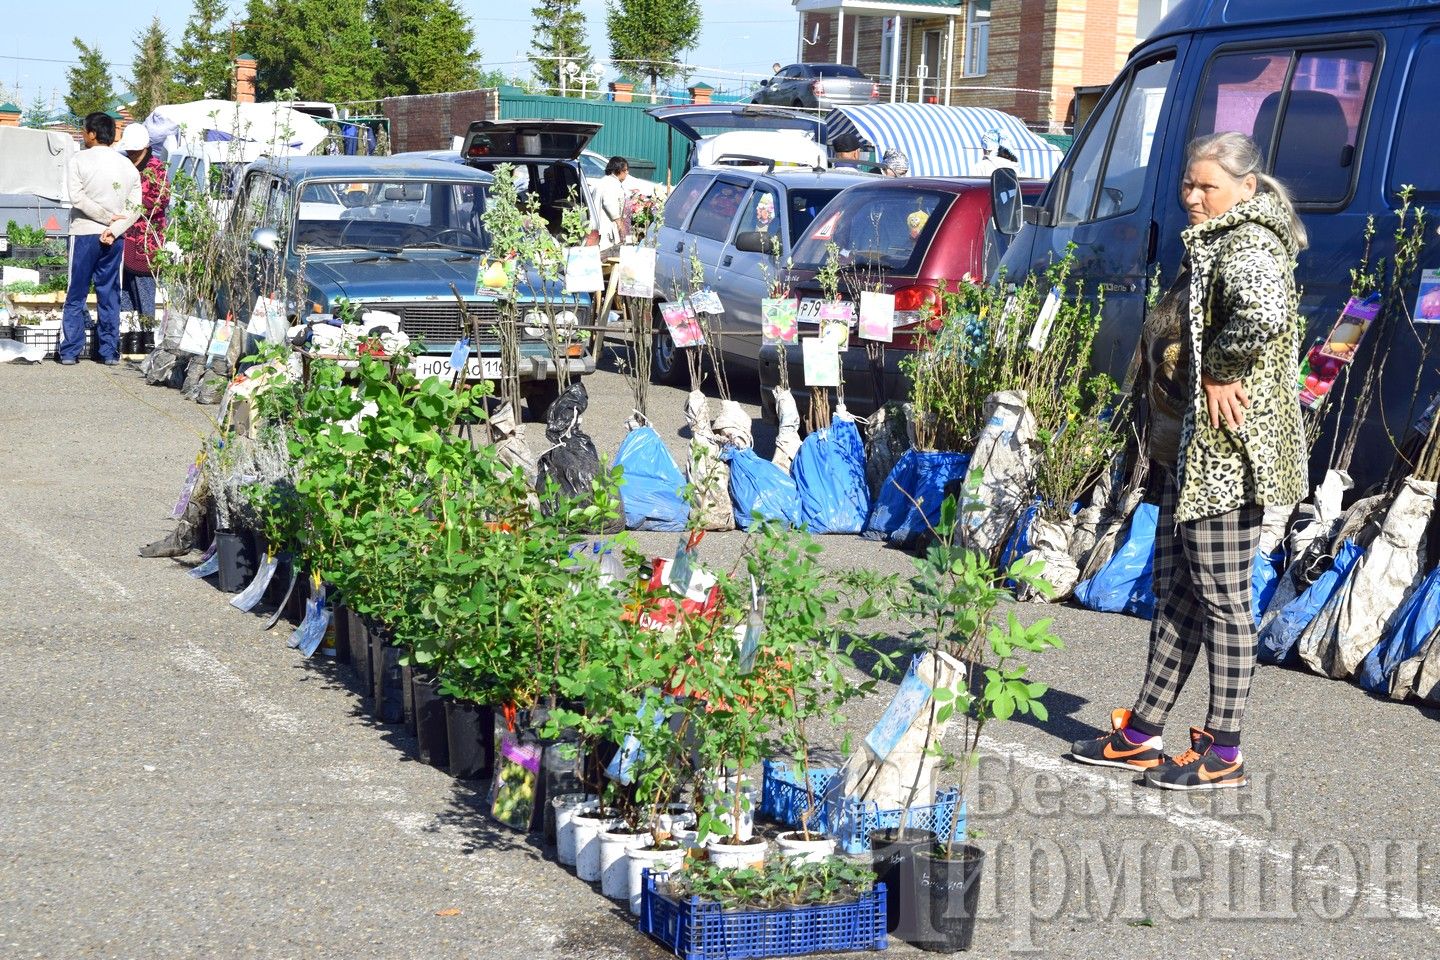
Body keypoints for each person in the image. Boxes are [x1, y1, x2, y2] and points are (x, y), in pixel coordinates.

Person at [1067, 131, 1307, 790]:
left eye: (1209, 186)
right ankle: (1144, 732)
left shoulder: (1250, 244)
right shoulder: (1213, 244)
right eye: (1189, 186)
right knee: (1176, 596)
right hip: (1190, 457)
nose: (1195, 198)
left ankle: (1223, 749)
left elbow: (1259, 313)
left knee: (1224, 604)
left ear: (1246, 188)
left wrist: (1221, 371)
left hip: (1227, 460)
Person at [62, 112, 141, 365]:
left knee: (76, 293)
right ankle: (108, 352)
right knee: (109, 295)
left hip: (85, 232)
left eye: (85, 131)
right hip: (113, 238)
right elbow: (135, 207)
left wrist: (105, 218)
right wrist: (115, 228)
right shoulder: (128, 167)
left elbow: (77, 198)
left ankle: (70, 351)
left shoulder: (78, 160)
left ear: (93, 134)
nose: (84, 135)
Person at [117, 122, 169, 328]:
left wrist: (126, 208)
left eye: (135, 150)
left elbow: (157, 202)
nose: (132, 153)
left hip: (146, 243)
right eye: (130, 150)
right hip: (125, 238)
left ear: (145, 148)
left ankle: (147, 335)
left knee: (144, 292)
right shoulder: (125, 166)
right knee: (125, 290)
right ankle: (128, 334)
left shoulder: (156, 170)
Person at [595, 155, 629, 253]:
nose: (627, 173)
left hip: (600, 227)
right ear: (618, 170)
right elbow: (610, 204)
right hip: (606, 230)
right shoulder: (611, 184)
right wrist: (620, 224)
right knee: (606, 256)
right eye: (625, 170)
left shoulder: (604, 181)